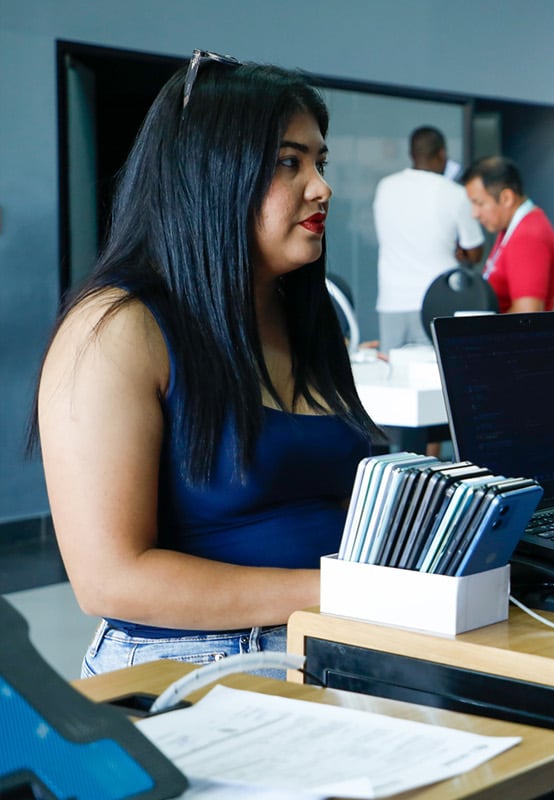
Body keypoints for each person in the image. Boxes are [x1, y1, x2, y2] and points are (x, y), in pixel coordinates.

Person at [31, 53, 377, 677]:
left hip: (341, 642)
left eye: (319, 163)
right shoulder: (116, 329)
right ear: (211, 174)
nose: (321, 186)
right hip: (196, 659)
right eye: (288, 162)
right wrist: (345, 591)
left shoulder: (301, 313)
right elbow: (111, 580)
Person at [372, 125, 485, 352]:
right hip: (437, 301)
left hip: (392, 301)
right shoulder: (453, 192)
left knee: (394, 378)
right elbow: (474, 252)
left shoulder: (385, 187)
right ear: (442, 154)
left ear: (412, 154)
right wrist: (461, 252)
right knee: (435, 377)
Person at [465, 156, 554, 313]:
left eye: (479, 203)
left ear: (506, 198)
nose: (474, 213)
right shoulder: (512, 229)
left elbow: (528, 314)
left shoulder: (527, 237)